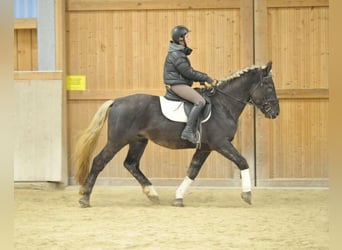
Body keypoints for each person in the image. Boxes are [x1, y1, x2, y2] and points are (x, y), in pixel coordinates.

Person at [163, 25, 217, 144]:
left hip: (180, 83)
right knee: (200, 101)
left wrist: (201, 80)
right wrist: (206, 77)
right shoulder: (177, 55)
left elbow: (187, 72)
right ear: (181, 39)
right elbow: (188, 72)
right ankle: (188, 131)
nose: (189, 39)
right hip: (177, 85)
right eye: (187, 37)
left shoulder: (178, 53)